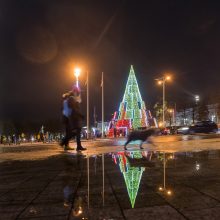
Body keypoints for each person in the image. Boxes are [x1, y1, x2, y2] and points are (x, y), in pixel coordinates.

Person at [60, 86, 86, 151]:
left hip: (68, 117)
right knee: (73, 132)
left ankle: (66, 145)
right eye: (77, 92)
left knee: (71, 132)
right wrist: (80, 115)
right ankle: (64, 142)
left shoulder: (69, 99)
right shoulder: (71, 99)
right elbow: (73, 109)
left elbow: (63, 108)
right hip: (70, 118)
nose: (77, 94)